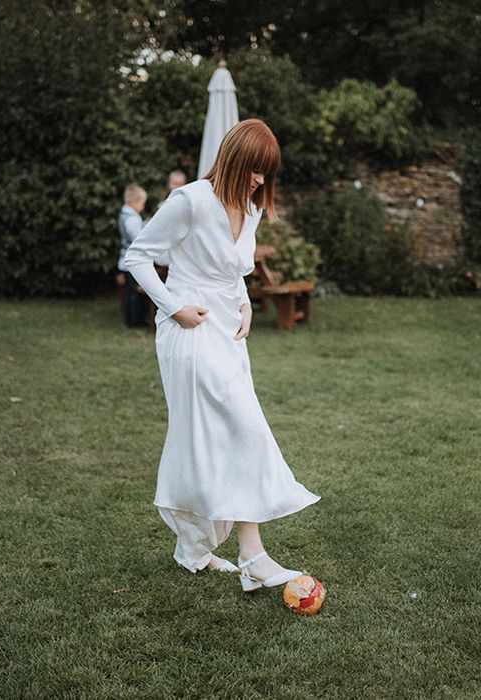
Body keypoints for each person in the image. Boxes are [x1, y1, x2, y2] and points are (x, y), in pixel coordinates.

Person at [124, 119, 321, 591]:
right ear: (232, 157)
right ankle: (254, 556)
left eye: (266, 173)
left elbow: (234, 273)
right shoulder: (190, 200)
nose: (259, 181)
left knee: (208, 440)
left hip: (229, 333)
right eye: (254, 169)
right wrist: (173, 308)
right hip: (188, 331)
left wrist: (247, 303)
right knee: (243, 426)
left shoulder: (251, 209)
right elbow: (137, 256)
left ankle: (193, 547)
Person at [117, 184, 149, 327]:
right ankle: (134, 320)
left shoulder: (125, 215)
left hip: (125, 260)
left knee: (133, 291)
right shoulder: (132, 218)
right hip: (130, 261)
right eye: (142, 203)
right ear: (135, 201)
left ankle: (135, 318)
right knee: (134, 292)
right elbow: (137, 237)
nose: (142, 206)